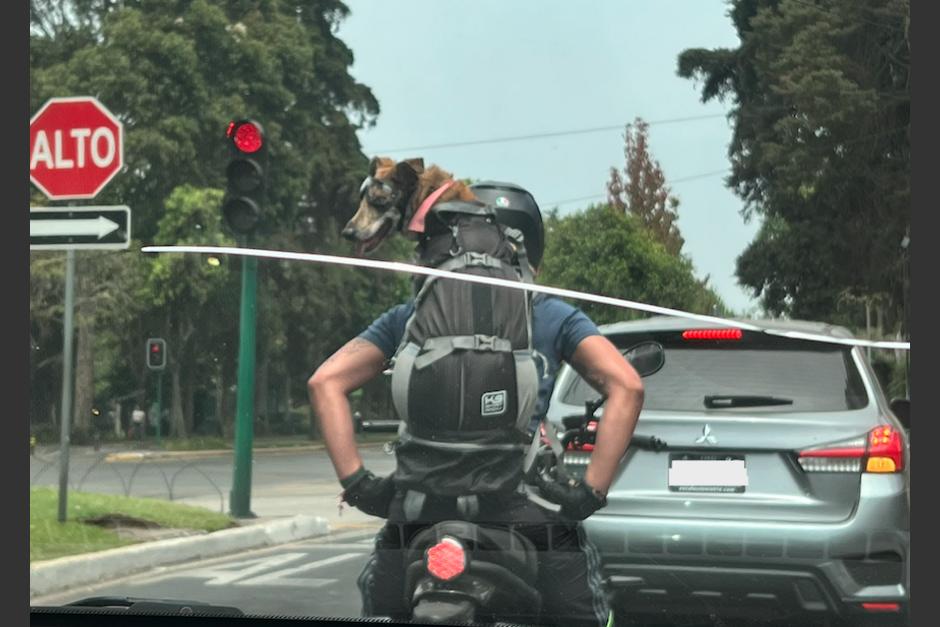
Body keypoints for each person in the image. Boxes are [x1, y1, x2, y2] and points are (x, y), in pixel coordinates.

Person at [308, 182, 644, 627]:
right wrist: (588, 494)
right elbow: (627, 387)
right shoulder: (551, 314)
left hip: (418, 511)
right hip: (523, 512)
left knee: (381, 603)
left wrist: (359, 485)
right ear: (526, 253)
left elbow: (325, 382)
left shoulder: (412, 316)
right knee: (584, 611)